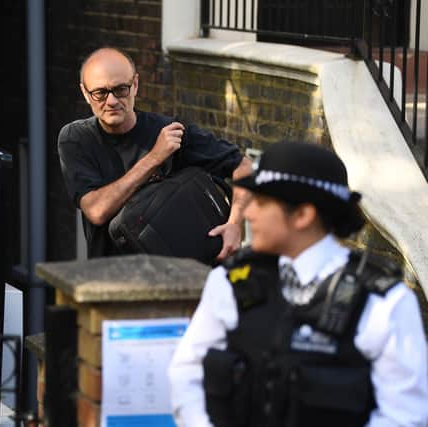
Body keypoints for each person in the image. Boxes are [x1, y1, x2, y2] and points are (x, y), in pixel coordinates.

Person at [168, 141, 428, 427]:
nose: (249, 213)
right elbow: (186, 374)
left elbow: (405, 415)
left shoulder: (383, 302)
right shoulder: (230, 283)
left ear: (303, 214)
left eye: (262, 202)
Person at [58, 47, 252, 258]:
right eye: (100, 93)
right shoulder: (76, 138)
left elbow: (244, 167)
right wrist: (154, 158)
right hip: (112, 279)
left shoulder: (171, 131)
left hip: (176, 275)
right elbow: (96, 211)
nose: (112, 101)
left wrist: (234, 225)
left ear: (136, 85)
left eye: (121, 89)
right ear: (86, 94)